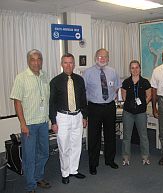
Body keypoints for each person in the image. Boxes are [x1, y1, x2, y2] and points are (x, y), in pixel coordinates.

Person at [10, 49, 51, 193]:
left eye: (39, 59)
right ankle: (30, 185)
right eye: (33, 59)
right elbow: (17, 102)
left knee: (45, 152)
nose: (36, 62)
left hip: (43, 123)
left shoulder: (45, 76)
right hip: (29, 125)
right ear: (28, 61)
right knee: (29, 157)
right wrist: (22, 123)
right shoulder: (21, 77)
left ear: (42, 61)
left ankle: (38, 177)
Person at [49, 53, 87, 184]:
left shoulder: (80, 80)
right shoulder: (55, 81)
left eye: (70, 62)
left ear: (74, 64)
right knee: (64, 146)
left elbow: (83, 99)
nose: (68, 65)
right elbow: (52, 103)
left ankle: (73, 170)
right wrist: (53, 122)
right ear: (61, 64)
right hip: (62, 117)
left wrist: (84, 116)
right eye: (65, 62)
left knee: (76, 145)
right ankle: (65, 172)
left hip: (77, 116)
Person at [83, 48, 121, 175]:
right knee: (94, 137)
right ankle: (93, 164)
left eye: (105, 56)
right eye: (100, 56)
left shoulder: (113, 71)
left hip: (109, 107)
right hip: (94, 108)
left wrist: (112, 98)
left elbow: (116, 88)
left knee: (111, 135)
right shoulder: (87, 73)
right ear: (95, 58)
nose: (102, 58)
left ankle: (110, 160)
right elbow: (83, 91)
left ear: (108, 58)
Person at [121, 60, 152, 166]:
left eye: (137, 67)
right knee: (126, 136)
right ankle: (125, 157)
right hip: (128, 112)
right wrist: (130, 105)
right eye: (132, 68)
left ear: (140, 69)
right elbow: (124, 96)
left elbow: (149, 95)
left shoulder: (145, 82)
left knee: (143, 135)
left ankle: (145, 157)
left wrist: (143, 104)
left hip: (141, 113)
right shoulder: (126, 82)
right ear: (130, 69)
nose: (135, 70)